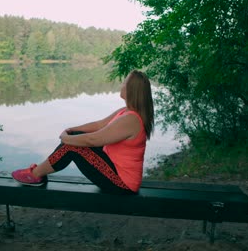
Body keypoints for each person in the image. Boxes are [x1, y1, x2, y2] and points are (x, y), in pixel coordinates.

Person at [11, 70, 154, 194]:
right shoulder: (125, 112)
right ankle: (38, 174)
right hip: (115, 171)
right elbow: (99, 125)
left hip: (122, 184)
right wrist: (73, 130)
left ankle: (36, 175)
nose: (121, 84)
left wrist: (66, 139)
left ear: (131, 89)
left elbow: (93, 140)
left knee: (72, 146)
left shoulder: (131, 120)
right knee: (75, 139)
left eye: (124, 82)